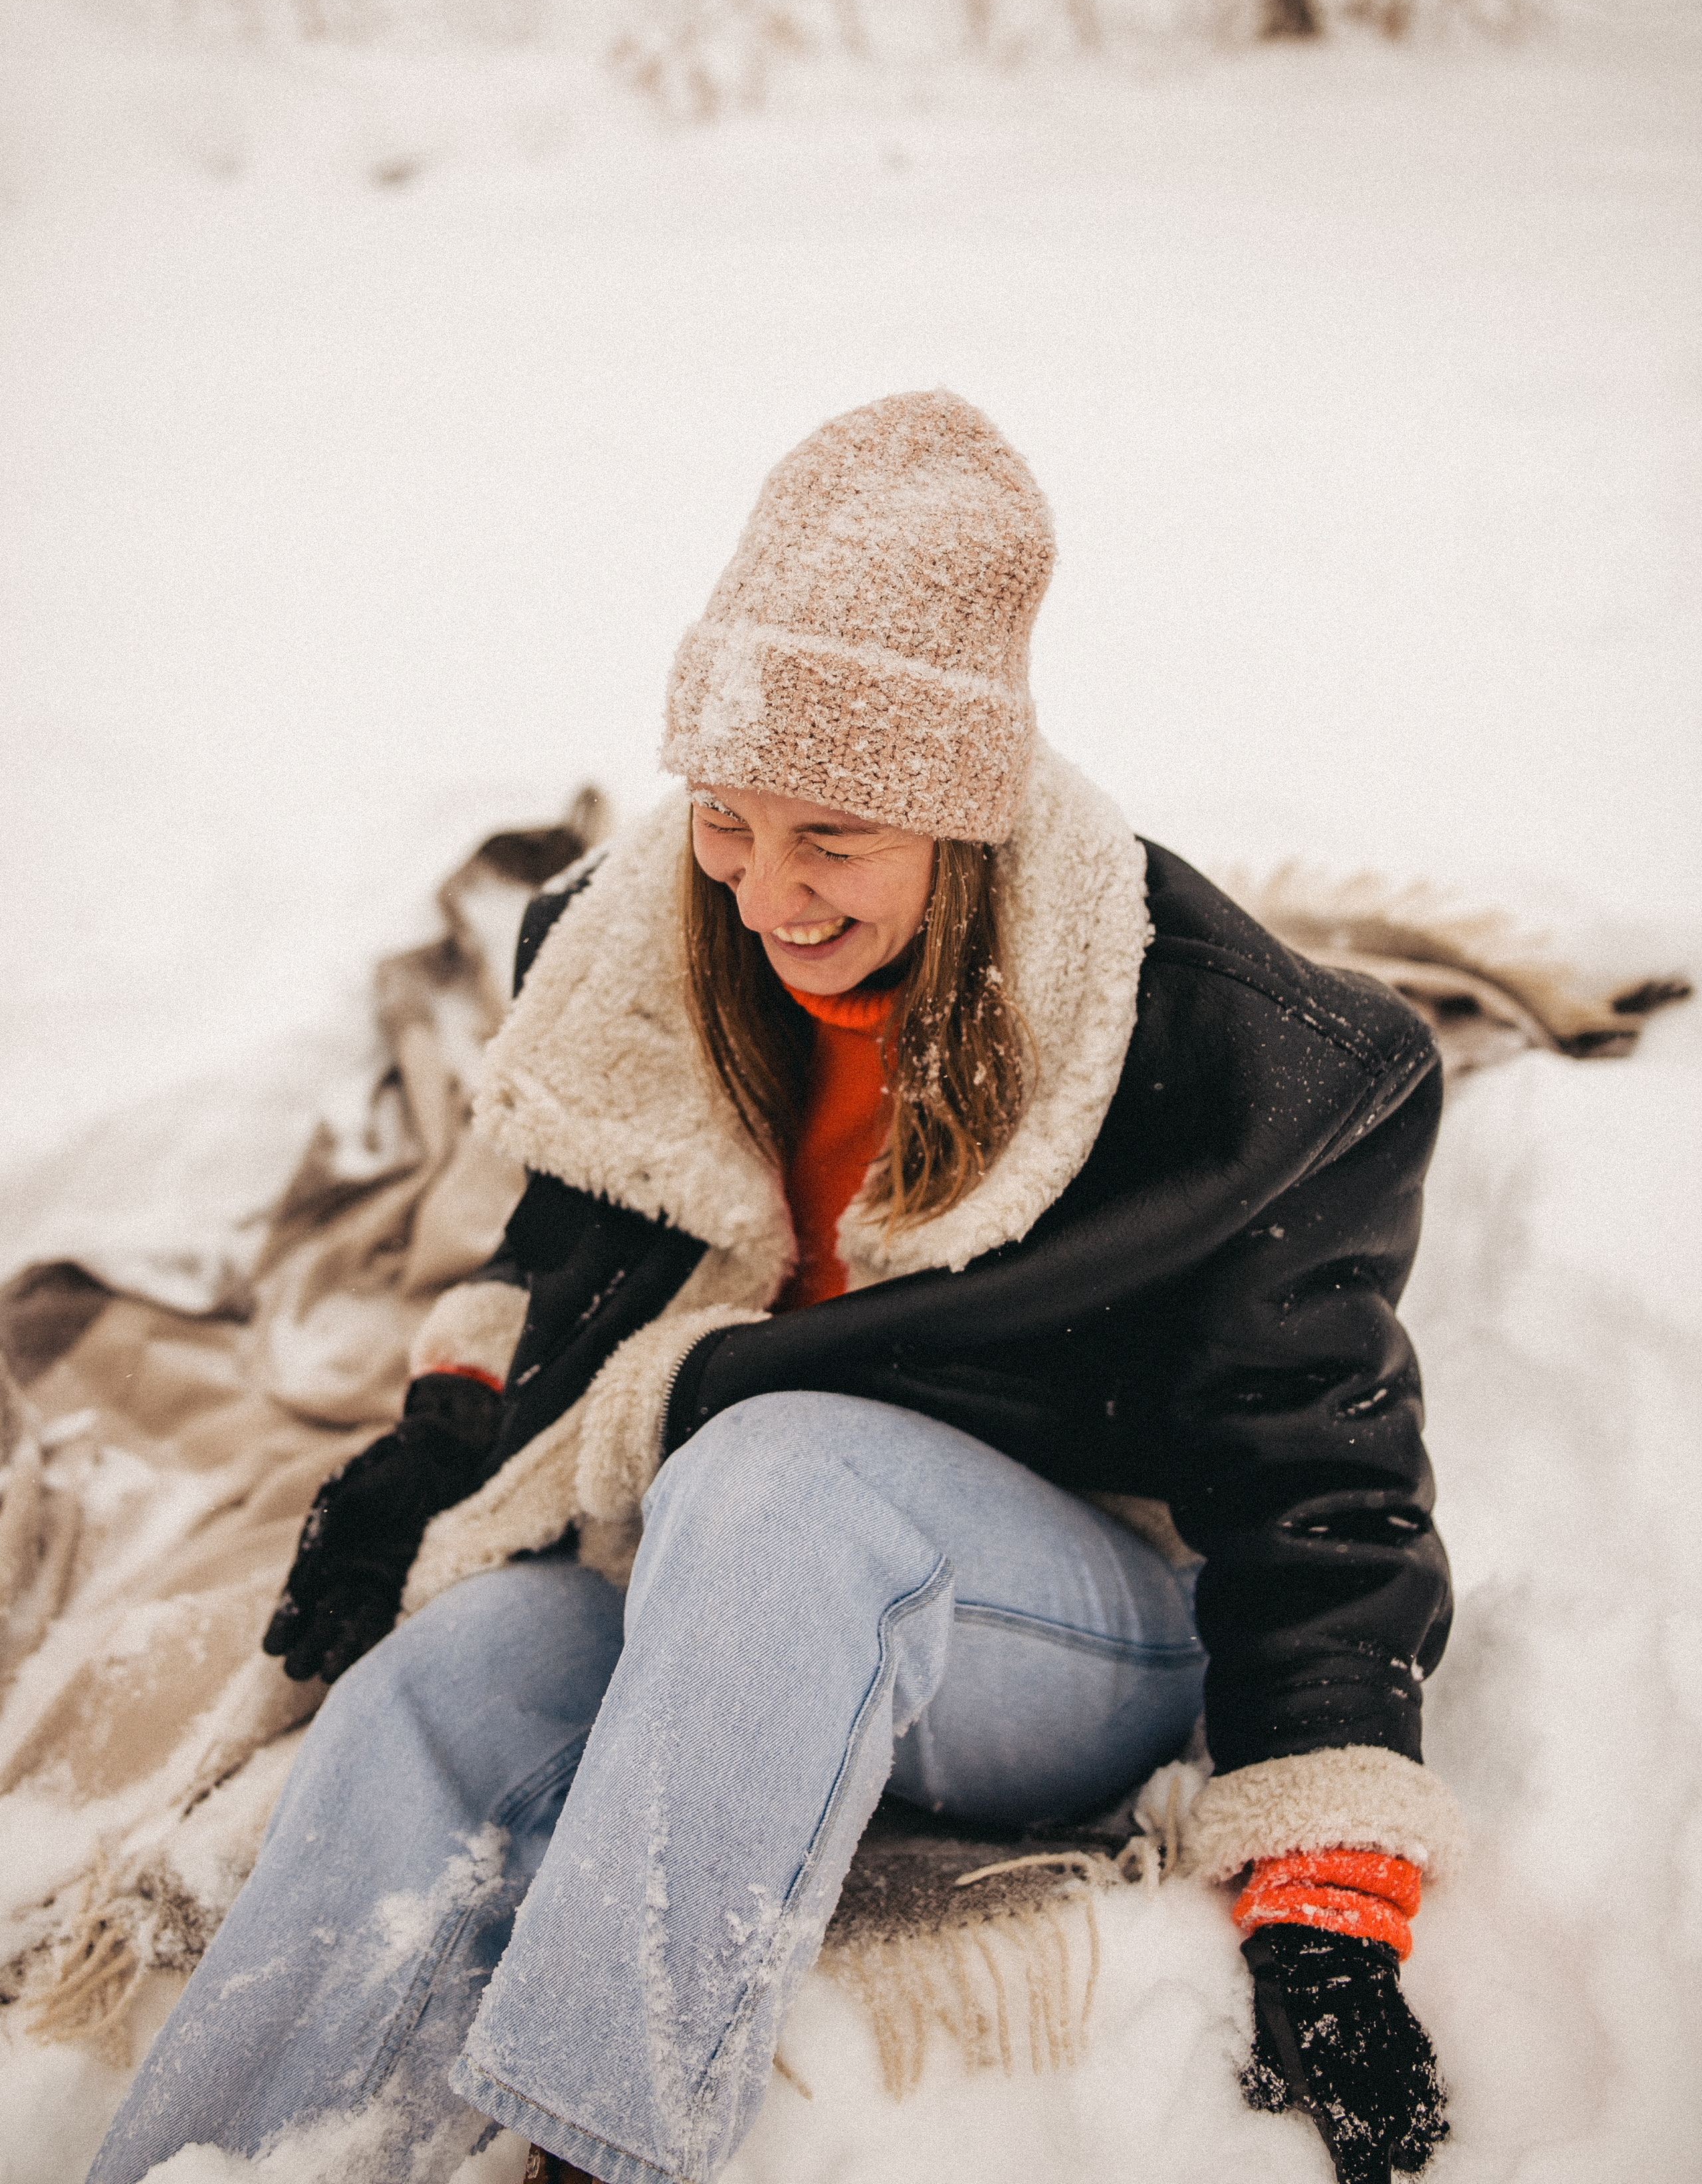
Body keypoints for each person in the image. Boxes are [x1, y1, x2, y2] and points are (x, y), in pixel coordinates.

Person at [91, 392, 1457, 2184]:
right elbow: (563, 1260)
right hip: (733, 1587)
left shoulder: (1220, 1055)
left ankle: (599, 2148)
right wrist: (442, 1440)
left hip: (1056, 1625)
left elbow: (1323, 1477)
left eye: (836, 842)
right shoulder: (646, 946)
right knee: (461, 1665)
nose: (766, 895)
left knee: (778, 1467)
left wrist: (1330, 1915)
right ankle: (216, 2156)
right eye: (731, 821)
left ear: (959, 822)